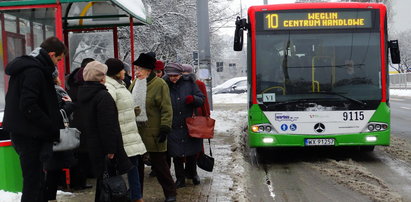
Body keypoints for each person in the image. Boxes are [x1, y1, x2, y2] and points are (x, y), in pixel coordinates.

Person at [3, 36, 67, 202]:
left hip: (26, 133)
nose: (57, 64)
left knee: (37, 181)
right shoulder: (34, 71)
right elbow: (28, 105)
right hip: (30, 136)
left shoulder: (30, 68)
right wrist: (50, 124)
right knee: (33, 183)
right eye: (58, 59)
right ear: (51, 54)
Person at [76, 61, 133, 202]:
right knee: (111, 183)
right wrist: (111, 149)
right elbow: (108, 125)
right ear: (101, 77)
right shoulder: (103, 97)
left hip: (92, 145)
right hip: (105, 147)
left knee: (103, 182)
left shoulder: (83, 94)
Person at [130, 53, 177, 202]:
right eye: (136, 68)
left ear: (149, 70)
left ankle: (170, 194)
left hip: (154, 132)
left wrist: (165, 127)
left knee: (160, 166)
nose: (137, 71)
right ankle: (138, 195)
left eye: (140, 69)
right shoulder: (134, 83)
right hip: (137, 132)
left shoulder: (159, 84)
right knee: (137, 168)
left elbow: (166, 108)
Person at [105, 58, 147, 202]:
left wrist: (132, 111)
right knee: (126, 169)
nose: (125, 72)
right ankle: (128, 197)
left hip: (129, 133)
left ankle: (137, 197)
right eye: (122, 69)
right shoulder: (110, 87)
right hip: (122, 135)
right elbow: (110, 112)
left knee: (133, 167)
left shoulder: (120, 85)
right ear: (116, 72)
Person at [164, 63, 205, 188]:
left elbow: (201, 98)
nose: (173, 78)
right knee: (176, 154)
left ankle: (193, 174)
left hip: (189, 124)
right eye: (171, 76)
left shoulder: (190, 83)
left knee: (191, 152)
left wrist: (193, 99)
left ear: (181, 74)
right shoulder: (165, 85)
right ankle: (180, 178)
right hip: (174, 124)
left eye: (176, 75)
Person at [44, 71, 77, 201]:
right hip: (58, 135)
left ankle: (48, 195)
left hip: (46, 135)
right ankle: (49, 196)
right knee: (54, 170)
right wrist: (70, 104)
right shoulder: (58, 91)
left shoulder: (42, 91)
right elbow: (63, 113)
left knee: (50, 169)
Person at [66, 57, 95, 190]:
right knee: (82, 154)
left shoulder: (73, 82)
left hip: (76, 122)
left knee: (78, 153)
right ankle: (79, 182)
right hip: (83, 122)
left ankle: (77, 180)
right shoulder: (84, 85)